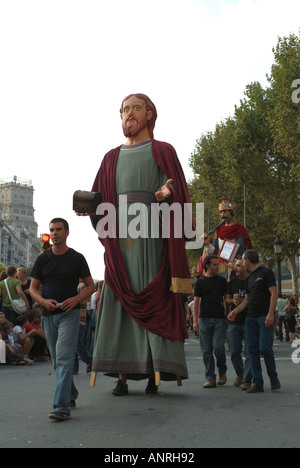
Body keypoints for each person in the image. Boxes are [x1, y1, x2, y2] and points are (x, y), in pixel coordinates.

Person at [77, 93, 193, 396]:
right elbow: (99, 199)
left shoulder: (163, 150)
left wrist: (166, 197)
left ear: (150, 114)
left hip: (152, 236)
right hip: (119, 241)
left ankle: (156, 369)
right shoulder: (110, 158)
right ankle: (121, 376)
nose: (129, 114)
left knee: (151, 298)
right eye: (125, 109)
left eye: (136, 108)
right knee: (118, 303)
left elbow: (177, 190)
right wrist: (88, 208)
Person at [30, 218, 95, 421]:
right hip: (48, 315)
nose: (55, 233)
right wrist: (43, 301)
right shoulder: (42, 259)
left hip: (70, 314)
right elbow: (32, 289)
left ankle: (61, 407)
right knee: (58, 362)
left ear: (67, 232)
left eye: (58, 229)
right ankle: (71, 394)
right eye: (52, 230)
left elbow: (91, 286)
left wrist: (75, 299)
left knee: (65, 359)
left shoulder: (77, 258)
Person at [228, 250, 281, 393]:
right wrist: (235, 311)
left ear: (248, 261)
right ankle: (257, 382)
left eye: (242, 260)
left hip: (264, 316)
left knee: (265, 348)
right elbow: (247, 300)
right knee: (251, 351)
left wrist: (270, 314)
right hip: (250, 318)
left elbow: (274, 293)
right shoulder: (249, 279)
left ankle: (273, 377)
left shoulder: (266, 273)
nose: (241, 263)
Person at [193, 255, 228, 388]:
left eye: (217, 264)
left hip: (219, 318)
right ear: (207, 266)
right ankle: (210, 377)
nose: (217, 267)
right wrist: (195, 321)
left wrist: (227, 316)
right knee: (206, 350)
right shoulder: (200, 282)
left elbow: (226, 300)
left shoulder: (222, 281)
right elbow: (196, 302)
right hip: (204, 318)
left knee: (219, 347)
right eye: (214, 265)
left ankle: (222, 370)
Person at [225, 259, 252, 390]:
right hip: (234, 322)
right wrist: (233, 301)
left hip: (248, 320)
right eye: (235, 266)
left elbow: (254, 299)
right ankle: (240, 375)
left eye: (238, 266)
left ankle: (247, 379)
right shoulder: (233, 282)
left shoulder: (251, 280)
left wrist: (244, 301)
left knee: (249, 352)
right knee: (235, 351)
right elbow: (227, 299)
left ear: (245, 267)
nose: (235, 268)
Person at [212, 198, 253, 278]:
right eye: (221, 212)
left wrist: (236, 262)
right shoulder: (218, 230)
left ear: (231, 213)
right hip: (220, 266)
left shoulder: (238, 228)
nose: (223, 214)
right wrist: (207, 245)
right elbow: (214, 250)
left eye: (225, 211)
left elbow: (241, 249)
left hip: (234, 266)